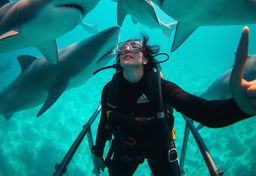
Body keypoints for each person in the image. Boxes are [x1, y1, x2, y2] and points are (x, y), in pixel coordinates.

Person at [91, 27, 255, 176]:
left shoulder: (162, 88)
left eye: (135, 46)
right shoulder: (111, 90)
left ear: (145, 60)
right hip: (125, 148)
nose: (127, 49)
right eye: (122, 48)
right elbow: (105, 122)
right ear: (119, 60)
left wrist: (243, 107)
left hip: (160, 148)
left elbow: (205, 112)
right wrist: (98, 153)